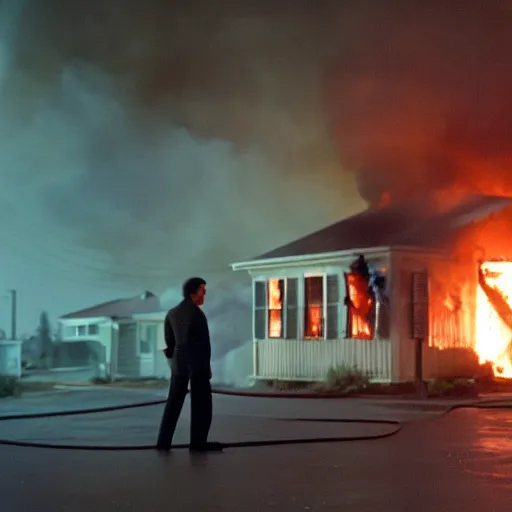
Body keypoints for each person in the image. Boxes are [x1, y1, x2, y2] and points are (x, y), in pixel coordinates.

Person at [156, 277, 223, 453]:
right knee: (202, 405)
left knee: (173, 403)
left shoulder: (172, 313)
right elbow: (203, 343)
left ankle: (163, 442)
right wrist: (206, 365)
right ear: (193, 291)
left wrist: (174, 361)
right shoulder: (197, 314)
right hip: (197, 365)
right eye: (203, 290)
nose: (205, 294)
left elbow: (169, 343)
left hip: (179, 364)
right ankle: (198, 443)